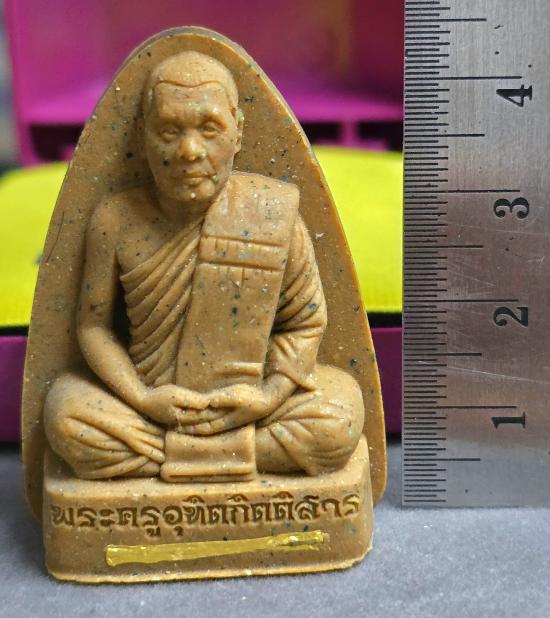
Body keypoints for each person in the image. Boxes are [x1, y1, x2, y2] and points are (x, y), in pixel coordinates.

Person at [44, 51, 364, 482]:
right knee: (66, 414)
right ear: (142, 135)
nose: (189, 151)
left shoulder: (274, 214)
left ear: (238, 132)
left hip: (248, 408)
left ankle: (170, 458)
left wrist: (268, 397)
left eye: (210, 129)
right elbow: (93, 328)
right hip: (150, 408)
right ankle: (235, 457)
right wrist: (142, 398)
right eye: (168, 131)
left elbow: (306, 322)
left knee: (339, 415)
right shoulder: (115, 219)